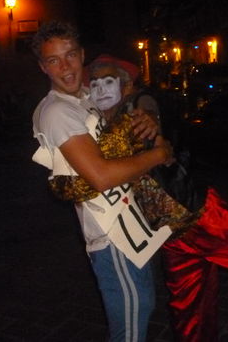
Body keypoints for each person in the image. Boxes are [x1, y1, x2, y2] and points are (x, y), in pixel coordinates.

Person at [50, 55, 228, 341]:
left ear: (126, 87)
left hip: (198, 216)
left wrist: (153, 124)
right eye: (94, 84)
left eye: (108, 82)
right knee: (190, 312)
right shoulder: (99, 125)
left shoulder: (135, 113)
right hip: (169, 235)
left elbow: (149, 113)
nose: (100, 89)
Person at [30, 21, 173, 342]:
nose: (65, 67)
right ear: (43, 67)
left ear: (82, 55)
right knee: (132, 321)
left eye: (70, 55)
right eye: (54, 60)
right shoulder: (57, 112)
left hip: (133, 223)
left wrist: (146, 121)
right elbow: (101, 176)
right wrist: (158, 154)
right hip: (112, 234)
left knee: (141, 307)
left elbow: (127, 123)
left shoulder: (88, 96)